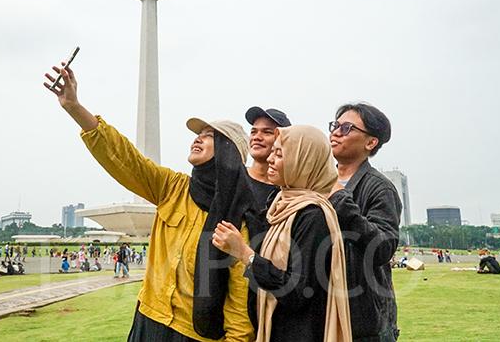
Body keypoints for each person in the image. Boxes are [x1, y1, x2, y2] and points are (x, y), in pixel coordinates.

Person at [44, 62, 255, 341]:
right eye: (197, 134)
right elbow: (125, 159)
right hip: (148, 320)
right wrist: (74, 107)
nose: (197, 139)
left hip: (194, 335)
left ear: (229, 153)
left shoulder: (237, 221)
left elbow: (239, 314)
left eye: (209, 136)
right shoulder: (173, 188)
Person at [213, 125, 352, 341]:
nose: (270, 159)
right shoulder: (280, 206)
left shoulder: (313, 215)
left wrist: (244, 253)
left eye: (279, 154)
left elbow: (297, 292)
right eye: (273, 152)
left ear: (302, 162)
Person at [327, 103, 402, 341]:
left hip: (364, 320)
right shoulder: (318, 181)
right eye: (335, 125)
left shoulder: (380, 188)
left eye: (347, 128)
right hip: (324, 309)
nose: (336, 132)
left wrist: (339, 199)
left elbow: (381, 247)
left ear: (371, 143)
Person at [244, 106, 292, 210]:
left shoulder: (288, 193)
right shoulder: (233, 178)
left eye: (267, 132)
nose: (257, 137)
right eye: (253, 132)